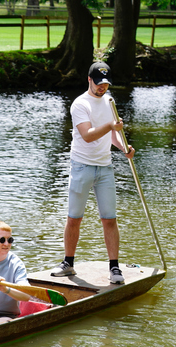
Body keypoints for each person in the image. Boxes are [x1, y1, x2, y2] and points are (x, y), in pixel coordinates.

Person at [51, 61, 135, 284]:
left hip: (105, 167)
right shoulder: (80, 104)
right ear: (89, 80)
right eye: (98, 83)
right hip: (81, 166)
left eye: (105, 84)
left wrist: (124, 147)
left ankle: (114, 268)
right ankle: (68, 263)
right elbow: (88, 135)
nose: (102, 88)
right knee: (74, 218)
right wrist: (111, 126)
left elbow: (113, 135)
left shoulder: (109, 101)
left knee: (109, 219)